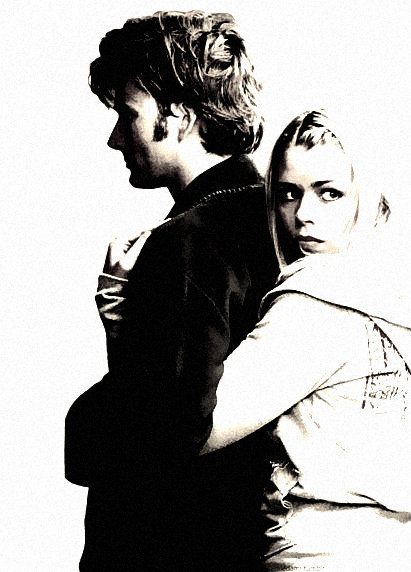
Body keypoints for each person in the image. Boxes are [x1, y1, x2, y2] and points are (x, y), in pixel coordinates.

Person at [98, 109, 411, 569]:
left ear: (366, 196)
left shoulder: (313, 308)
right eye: (289, 194)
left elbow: (184, 428)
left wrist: (119, 311)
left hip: (317, 557)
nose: (303, 215)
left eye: (329, 193)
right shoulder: (409, 299)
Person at [65, 10, 279, 571]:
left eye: (127, 114)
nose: (115, 138)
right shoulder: (278, 221)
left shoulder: (189, 239)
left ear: (179, 115)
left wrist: (81, 425)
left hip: (172, 550)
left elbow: (166, 432)